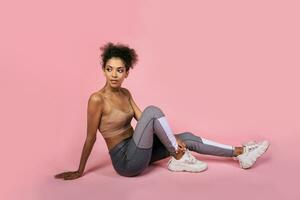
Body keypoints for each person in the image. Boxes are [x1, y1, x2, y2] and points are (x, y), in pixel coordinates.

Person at [54, 42, 270, 179]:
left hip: (139, 149)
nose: (114, 75)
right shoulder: (96, 99)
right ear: (103, 70)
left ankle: (241, 153)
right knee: (153, 111)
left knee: (186, 136)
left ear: (127, 73)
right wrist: (80, 170)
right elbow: (90, 138)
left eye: (120, 70)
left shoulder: (126, 94)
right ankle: (178, 155)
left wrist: (173, 139)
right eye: (109, 69)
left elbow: (144, 122)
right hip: (126, 162)